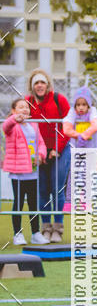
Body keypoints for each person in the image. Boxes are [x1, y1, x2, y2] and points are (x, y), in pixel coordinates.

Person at [25, 69, 70, 243]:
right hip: (39, 152)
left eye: (42, 82)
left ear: (47, 84)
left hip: (60, 149)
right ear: (32, 86)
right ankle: (45, 228)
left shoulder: (59, 99)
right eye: (36, 83)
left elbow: (67, 124)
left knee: (57, 189)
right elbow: (24, 127)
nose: (40, 85)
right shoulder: (27, 102)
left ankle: (57, 228)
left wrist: (56, 148)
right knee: (42, 191)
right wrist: (37, 152)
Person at [3, 98, 47, 245]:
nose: (24, 110)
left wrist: (41, 155)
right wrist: (15, 118)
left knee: (34, 203)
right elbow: (5, 126)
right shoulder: (12, 126)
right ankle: (18, 234)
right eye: (20, 107)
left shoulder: (33, 125)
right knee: (19, 203)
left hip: (33, 171)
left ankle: (35, 233)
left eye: (27, 107)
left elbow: (40, 143)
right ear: (14, 111)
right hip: (18, 173)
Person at [62, 86, 97, 211]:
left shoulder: (93, 112)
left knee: (89, 177)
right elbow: (66, 128)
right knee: (73, 176)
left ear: (89, 105)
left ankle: (87, 203)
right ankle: (69, 202)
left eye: (84, 104)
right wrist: (77, 135)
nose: (80, 107)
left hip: (91, 151)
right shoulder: (72, 112)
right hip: (76, 151)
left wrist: (84, 135)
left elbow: (96, 124)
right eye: (78, 104)